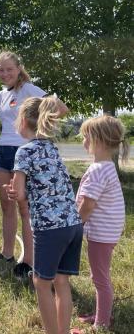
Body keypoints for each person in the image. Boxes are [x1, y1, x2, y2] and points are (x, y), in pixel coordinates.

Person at [5, 96, 82, 334]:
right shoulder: (51, 145)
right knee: (61, 281)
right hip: (73, 223)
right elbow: (63, 107)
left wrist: (12, 192)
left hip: (50, 228)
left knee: (41, 282)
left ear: (24, 122)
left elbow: (18, 192)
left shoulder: (24, 152)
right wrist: (49, 101)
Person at [0, 51, 68, 279]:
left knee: (25, 207)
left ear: (18, 68)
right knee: (6, 204)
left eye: (9, 69)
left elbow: (61, 108)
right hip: (3, 151)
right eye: (1, 70)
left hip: (23, 152)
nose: (5, 74)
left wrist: (41, 129)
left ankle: (29, 260)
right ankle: (7, 253)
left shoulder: (30, 90)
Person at [73, 116, 130, 332]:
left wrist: (75, 226)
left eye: (86, 136)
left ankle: (102, 323)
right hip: (107, 231)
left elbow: (87, 205)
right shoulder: (105, 166)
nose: (83, 141)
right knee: (99, 274)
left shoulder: (98, 169)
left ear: (99, 140)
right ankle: (101, 314)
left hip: (102, 233)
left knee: (100, 278)